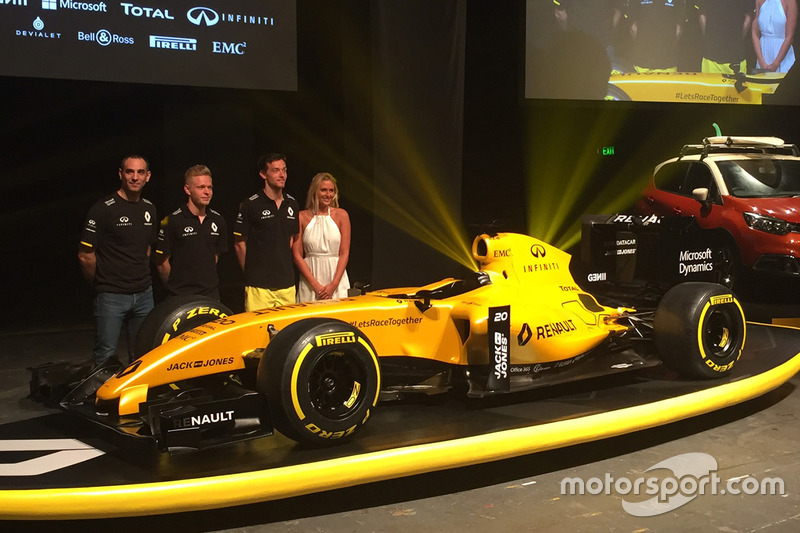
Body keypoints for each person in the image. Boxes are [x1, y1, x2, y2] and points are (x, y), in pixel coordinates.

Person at [78, 155, 157, 367]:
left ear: (147, 177)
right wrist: (101, 283)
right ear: (120, 174)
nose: (135, 177)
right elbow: (86, 255)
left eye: (140, 172)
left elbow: (147, 248)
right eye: (130, 172)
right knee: (106, 355)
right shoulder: (104, 208)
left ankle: (134, 400)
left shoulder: (149, 208)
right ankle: (101, 400)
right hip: (111, 295)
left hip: (143, 295)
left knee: (143, 355)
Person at [234, 153, 299, 311]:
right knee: (258, 333)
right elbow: (239, 244)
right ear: (263, 174)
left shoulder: (292, 203)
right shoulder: (251, 205)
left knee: (287, 332)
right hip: (259, 287)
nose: (282, 174)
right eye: (276, 170)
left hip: (287, 285)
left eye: (284, 170)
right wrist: (251, 274)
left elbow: (292, 238)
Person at [154, 165, 228, 299]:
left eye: (209, 187)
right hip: (181, 295)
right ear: (187, 189)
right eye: (201, 187)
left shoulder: (218, 220)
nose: (207, 192)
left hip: (211, 295)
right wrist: (175, 288)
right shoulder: (173, 221)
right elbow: (161, 263)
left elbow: (215, 256)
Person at [293, 173, 351, 302]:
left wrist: (333, 285)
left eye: (331, 190)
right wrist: (316, 286)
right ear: (315, 191)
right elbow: (297, 255)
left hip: (336, 278)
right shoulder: (301, 217)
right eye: (323, 190)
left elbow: (344, 253)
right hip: (310, 279)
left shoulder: (342, 215)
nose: (328, 194)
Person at [627, 0, 687, 72]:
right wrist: (669, 44)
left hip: (643, 59)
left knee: (641, 83)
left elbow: (632, 27)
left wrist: (642, 43)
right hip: (667, 60)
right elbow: (679, 28)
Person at [697, 0, 754, 74]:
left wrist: (736, 39)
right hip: (711, 57)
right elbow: (702, 14)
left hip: (736, 57)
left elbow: (748, 17)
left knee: (738, 85)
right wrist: (711, 38)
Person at [752, 0, 797, 72]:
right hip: (763, 54)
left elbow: (790, 36)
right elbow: (755, 33)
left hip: (783, 56)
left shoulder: (790, 2)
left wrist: (776, 63)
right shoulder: (759, 1)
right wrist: (761, 62)